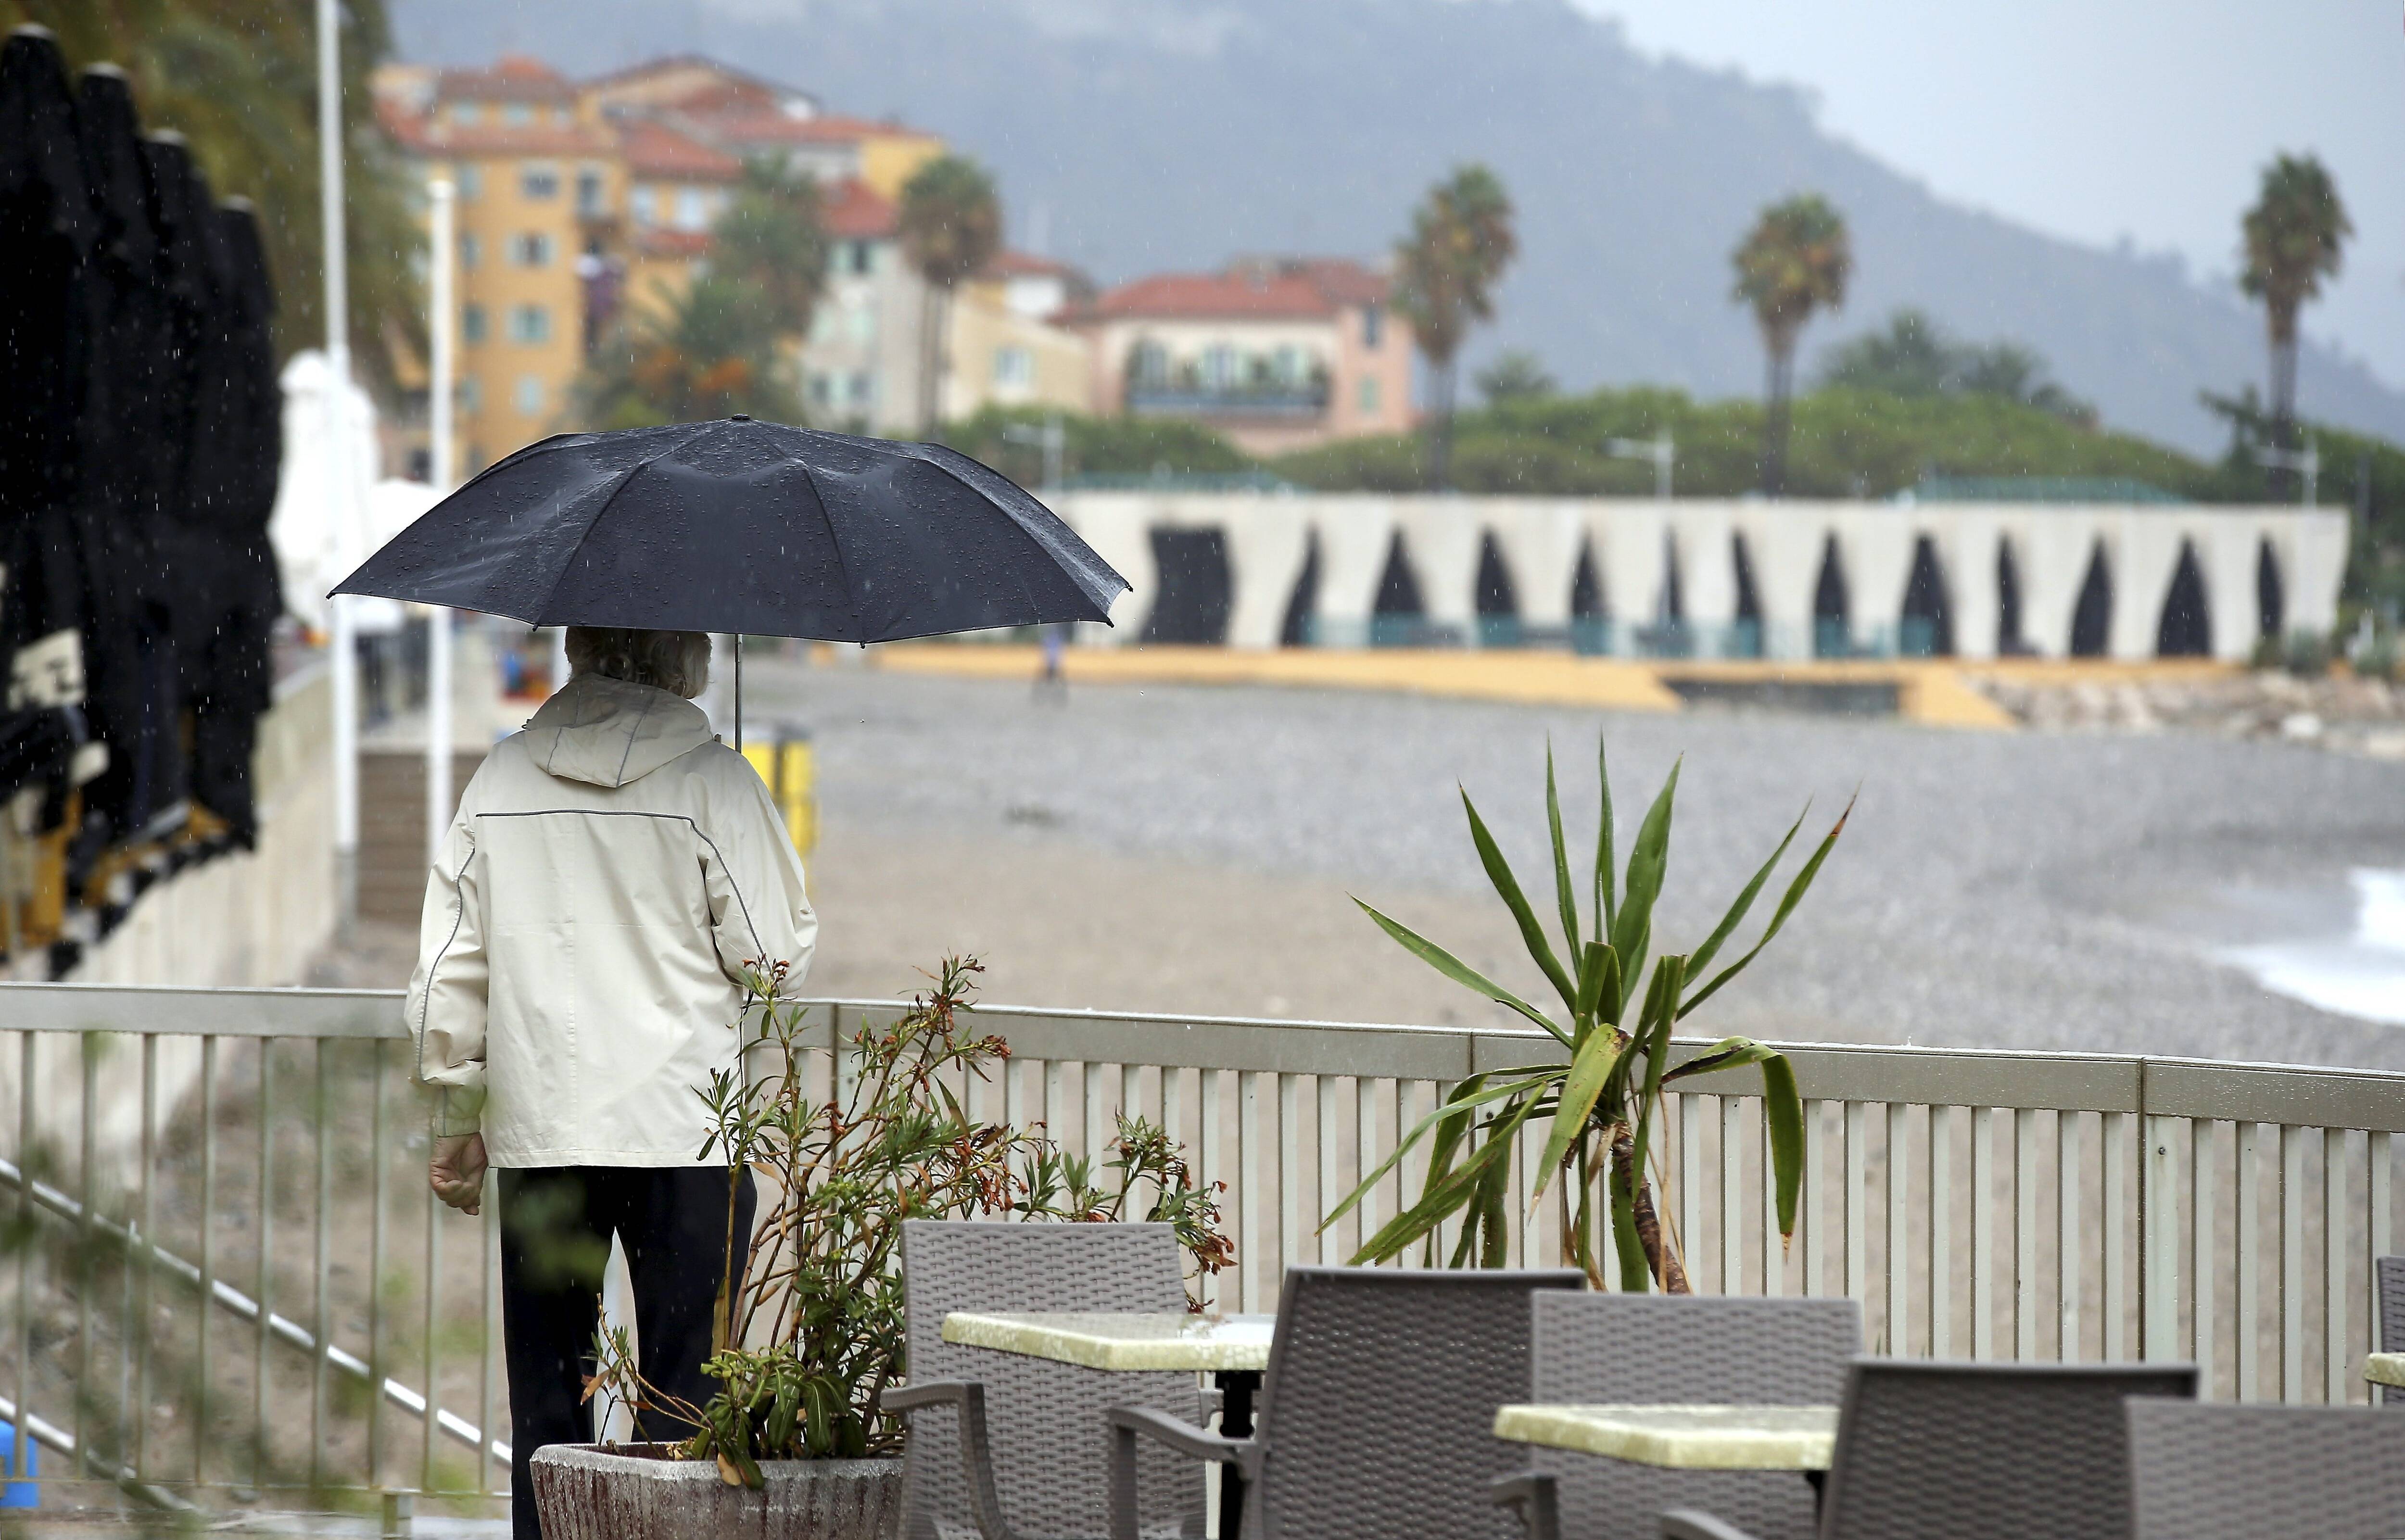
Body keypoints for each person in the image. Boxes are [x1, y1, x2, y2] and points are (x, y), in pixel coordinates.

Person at [405, 627, 815, 1539]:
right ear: (687, 663)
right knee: (686, 1395)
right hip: (685, 1133)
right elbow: (773, 957)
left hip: (541, 1129)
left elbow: (448, 971)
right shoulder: (715, 782)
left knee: (549, 1399)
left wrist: (454, 1111)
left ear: (577, 652)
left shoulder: (502, 782)